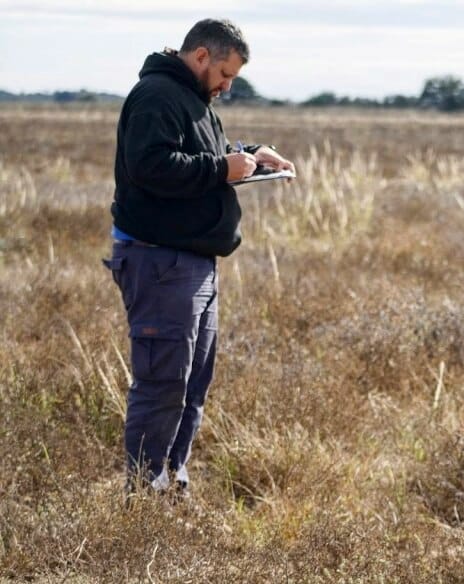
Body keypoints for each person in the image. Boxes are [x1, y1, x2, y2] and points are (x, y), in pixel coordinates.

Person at [102, 18, 294, 498]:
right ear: (202, 56)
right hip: (159, 261)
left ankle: (171, 488)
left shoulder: (194, 100)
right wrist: (223, 168)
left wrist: (251, 156)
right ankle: (145, 500)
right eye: (225, 74)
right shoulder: (157, 96)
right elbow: (150, 166)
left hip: (192, 263)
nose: (228, 86)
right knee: (163, 384)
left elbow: (203, 157)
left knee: (190, 385)